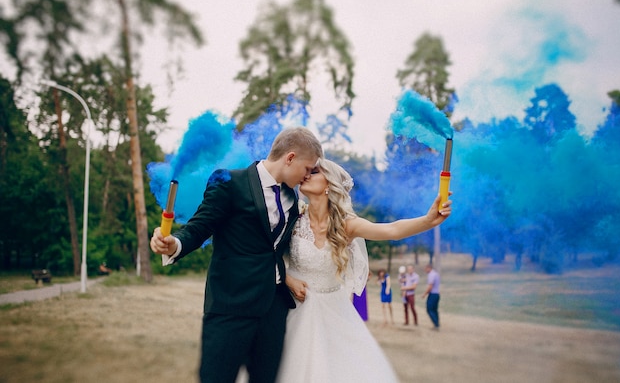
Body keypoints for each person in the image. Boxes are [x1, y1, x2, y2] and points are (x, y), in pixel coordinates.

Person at [149, 127, 323, 383]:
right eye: (307, 168)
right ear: (290, 158)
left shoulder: (291, 197)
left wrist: (285, 278)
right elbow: (199, 227)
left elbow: (273, 250)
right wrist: (174, 243)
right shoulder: (229, 182)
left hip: (273, 312)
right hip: (230, 309)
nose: (307, 176)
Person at [277, 159, 452, 382]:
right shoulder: (292, 218)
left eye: (315, 171)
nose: (306, 175)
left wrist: (428, 220)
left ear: (329, 184)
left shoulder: (346, 225)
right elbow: (266, 253)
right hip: (291, 309)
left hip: (334, 313)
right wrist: (288, 278)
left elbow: (392, 230)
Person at [422, 264, 441, 330]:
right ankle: (437, 323)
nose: (425, 270)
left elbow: (430, 286)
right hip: (437, 294)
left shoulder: (431, 275)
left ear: (429, 268)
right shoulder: (436, 274)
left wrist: (424, 294)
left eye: (425, 269)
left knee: (429, 309)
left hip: (433, 294)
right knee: (435, 310)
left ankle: (436, 324)